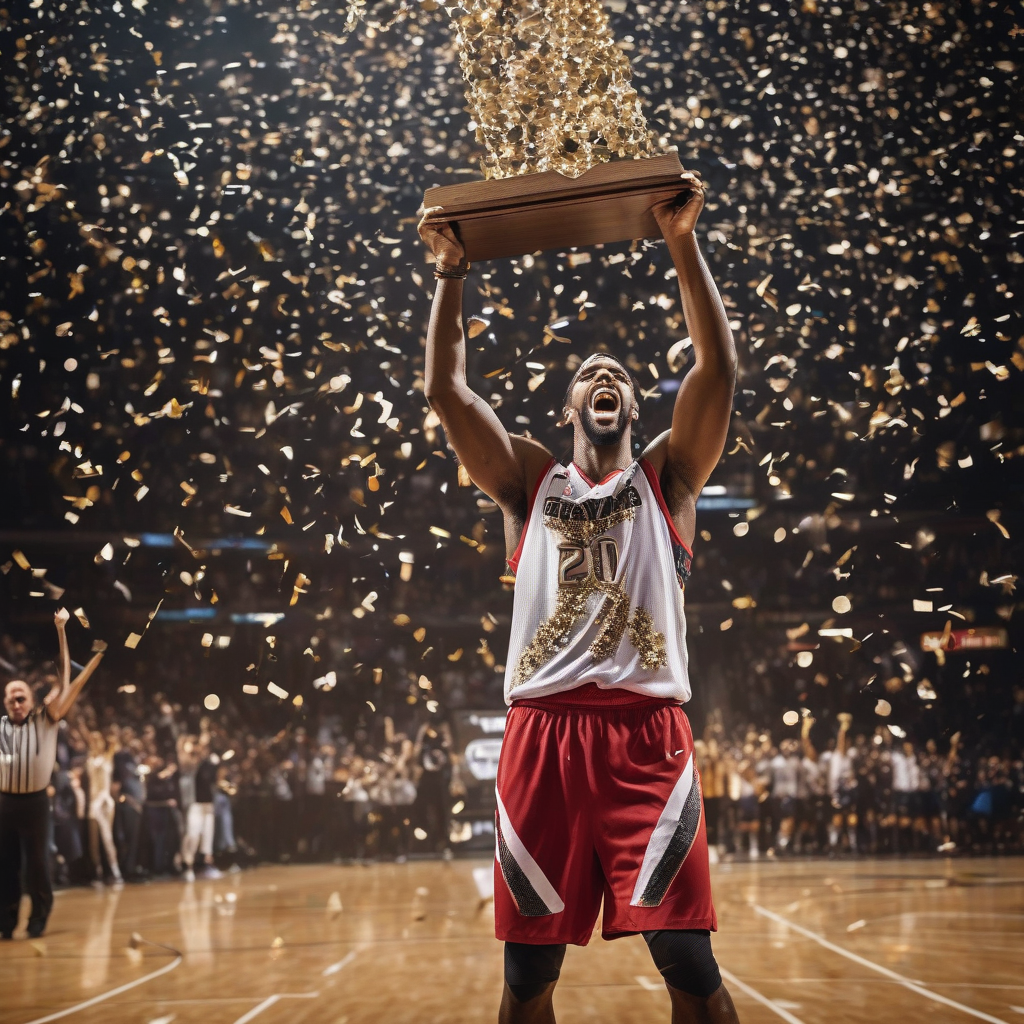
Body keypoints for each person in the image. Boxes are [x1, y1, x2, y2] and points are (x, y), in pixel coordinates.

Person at [419, 172, 741, 1023]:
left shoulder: (667, 479)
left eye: (618, 374)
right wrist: (451, 273)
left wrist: (682, 242)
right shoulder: (531, 481)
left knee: (687, 958)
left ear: (633, 404)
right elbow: (446, 393)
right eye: (589, 372)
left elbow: (719, 368)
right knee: (527, 977)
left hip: (646, 736)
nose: (604, 374)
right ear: (569, 407)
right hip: (541, 738)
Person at [0, 610, 103, 938]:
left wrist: (61, 629)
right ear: (4, 703)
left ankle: (38, 919)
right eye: (12, 699)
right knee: (6, 868)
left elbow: (68, 681)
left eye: (22, 698)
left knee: (38, 867)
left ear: (30, 701)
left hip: (35, 803)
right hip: (4, 803)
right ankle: (5, 922)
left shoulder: (46, 718)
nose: (17, 703)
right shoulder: (0, 727)